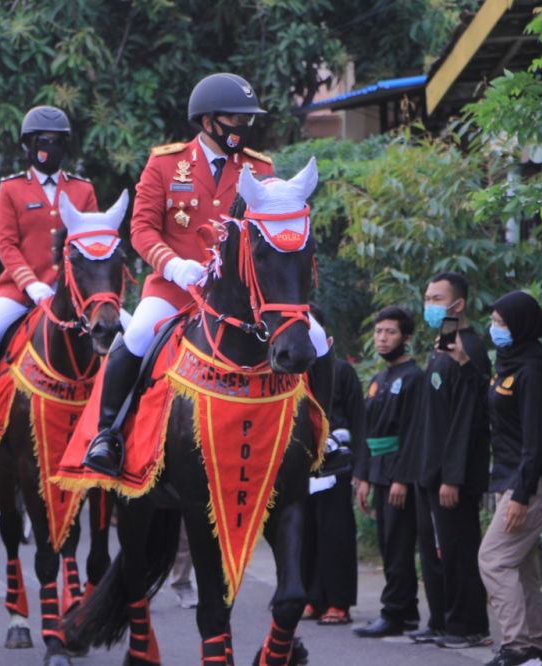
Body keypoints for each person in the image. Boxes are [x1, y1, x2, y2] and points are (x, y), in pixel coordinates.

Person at [83, 72, 332, 476]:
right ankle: (107, 434)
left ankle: (325, 434)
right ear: (208, 120)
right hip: (174, 288)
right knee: (138, 335)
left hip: (238, 297)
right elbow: (142, 229)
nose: (243, 126)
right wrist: (173, 265)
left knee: (317, 338)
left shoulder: (259, 168)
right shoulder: (166, 163)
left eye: (247, 119)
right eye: (235, 118)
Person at [0, 105, 99, 454]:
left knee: (123, 332)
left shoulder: (82, 190)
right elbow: (6, 244)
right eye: (42, 141)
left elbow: (91, 242)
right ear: (29, 146)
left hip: (74, 295)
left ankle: (114, 425)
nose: (50, 147)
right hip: (20, 291)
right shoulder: (11, 189)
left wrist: (72, 287)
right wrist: (31, 284)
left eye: (57, 141)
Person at [446, 291, 542, 666]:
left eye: (501, 323)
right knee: (519, 564)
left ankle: (517, 648)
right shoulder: (510, 363)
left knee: (494, 559)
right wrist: (466, 365)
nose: (495, 328)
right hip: (511, 476)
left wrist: (521, 496)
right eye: (494, 321)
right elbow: (494, 403)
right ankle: (539, 647)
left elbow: (533, 440)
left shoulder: (531, 371)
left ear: (520, 326)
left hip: (531, 481)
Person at [411, 271, 491, 649]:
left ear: (458, 305)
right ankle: (441, 620)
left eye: (437, 299)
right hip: (430, 470)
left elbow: (467, 419)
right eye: (427, 298)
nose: (429, 305)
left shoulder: (469, 350)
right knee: (433, 551)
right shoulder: (442, 345)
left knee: (458, 550)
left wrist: (452, 476)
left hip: (453, 476)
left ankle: (468, 625)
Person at [353, 306, 426, 638]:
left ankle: (395, 612)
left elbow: (415, 431)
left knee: (398, 544)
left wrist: (402, 478)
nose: (382, 338)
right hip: (378, 469)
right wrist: (363, 477)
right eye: (379, 332)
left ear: (406, 338)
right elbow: (367, 431)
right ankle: (405, 611)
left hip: (399, 470)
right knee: (386, 541)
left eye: (390, 332)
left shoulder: (414, 378)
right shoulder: (378, 379)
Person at [301, 306, 362, 626]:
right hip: (300, 466)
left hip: (336, 465)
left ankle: (338, 601)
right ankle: (310, 596)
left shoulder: (342, 372)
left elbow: (359, 421)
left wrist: (361, 470)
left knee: (335, 532)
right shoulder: (288, 372)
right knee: (303, 532)